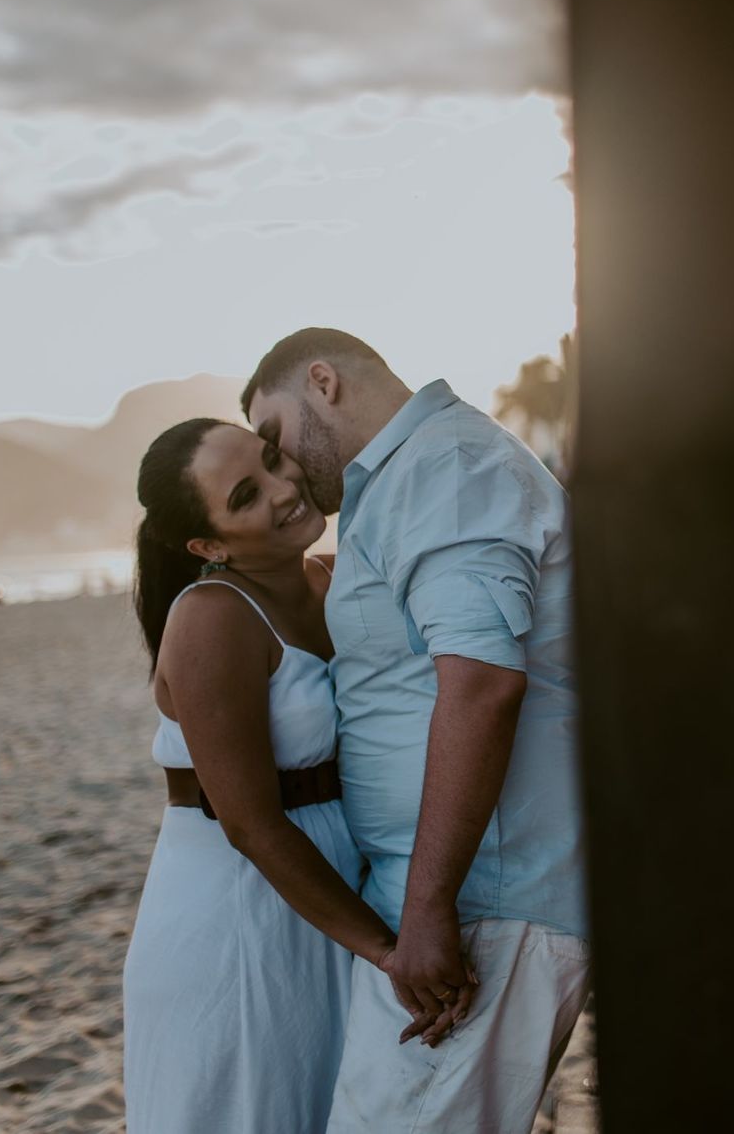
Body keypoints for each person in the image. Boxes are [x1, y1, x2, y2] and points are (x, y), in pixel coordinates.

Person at [244, 329, 589, 1134]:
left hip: (484, 902)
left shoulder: (446, 470)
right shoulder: (406, 478)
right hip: (460, 895)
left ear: (322, 381)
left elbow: (480, 686)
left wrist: (429, 908)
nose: (281, 466)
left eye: (274, 436)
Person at [120, 417, 421, 1132]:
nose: (286, 487)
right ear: (210, 544)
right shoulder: (211, 617)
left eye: (272, 458)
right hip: (239, 912)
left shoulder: (329, 579)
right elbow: (250, 824)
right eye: (248, 494)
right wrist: (384, 947)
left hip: (329, 884)